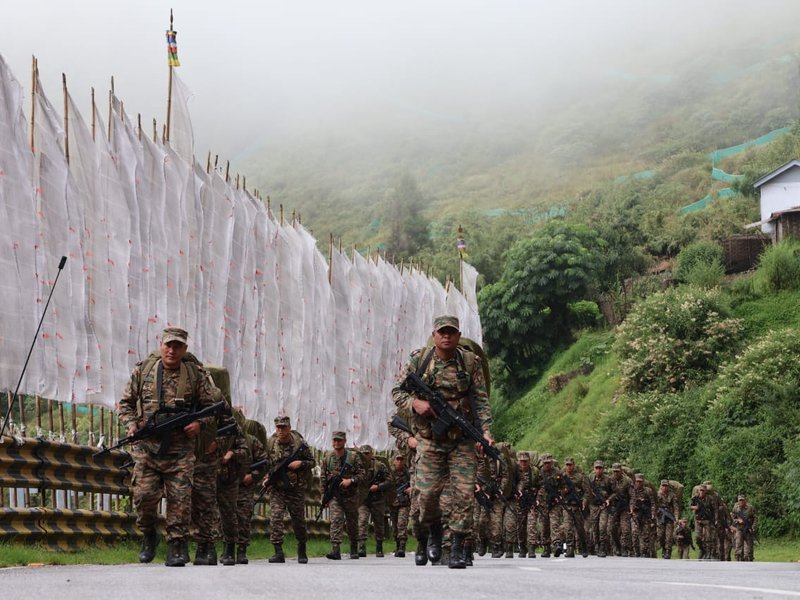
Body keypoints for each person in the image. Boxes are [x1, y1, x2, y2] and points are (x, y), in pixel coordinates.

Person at [392, 315, 494, 569]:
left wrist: (486, 433)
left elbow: (481, 400)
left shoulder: (470, 362)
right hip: (430, 439)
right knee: (425, 496)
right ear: (434, 335)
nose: (446, 336)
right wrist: (415, 404)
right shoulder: (419, 360)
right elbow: (397, 392)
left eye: (451, 332)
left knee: (463, 494)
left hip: (461, 441)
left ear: (458, 336)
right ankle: (433, 530)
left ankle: (458, 547)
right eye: (442, 332)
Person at [118, 327, 217, 567]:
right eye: (168, 345)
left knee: (180, 501)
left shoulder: (195, 375)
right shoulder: (144, 371)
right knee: (143, 498)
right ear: (161, 345)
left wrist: (198, 423)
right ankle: (149, 534)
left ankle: (177, 545)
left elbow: (212, 409)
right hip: (147, 449)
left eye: (178, 346)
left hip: (181, 451)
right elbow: (125, 404)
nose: (172, 350)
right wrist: (132, 426)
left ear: (185, 349)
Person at [262, 415, 315, 563]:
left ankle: (302, 548)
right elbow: (266, 464)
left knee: (298, 520)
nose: (281, 430)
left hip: (295, 489)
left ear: (289, 428)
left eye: (284, 427)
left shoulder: (299, 444)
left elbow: (312, 462)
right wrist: (267, 479)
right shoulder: (271, 443)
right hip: (278, 489)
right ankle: (278, 551)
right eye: (278, 427)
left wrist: (301, 464)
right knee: (276, 517)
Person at [321, 430, 364, 560]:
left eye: (339, 440)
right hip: (335, 496)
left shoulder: (353, 457)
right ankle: (335, 549)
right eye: (334, 440)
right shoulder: (328, 458)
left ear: (344, 441)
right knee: (336, 520)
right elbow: (323, 478)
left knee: (352, 522)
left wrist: (350, 481)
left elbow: (362, 475)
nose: (336, 443)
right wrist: (324, 496)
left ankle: (354, 548)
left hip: (350, 496)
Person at [357, 444, 392, 557]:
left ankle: (379, 546)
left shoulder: (379, 466)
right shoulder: (357, 466)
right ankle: (361, 546)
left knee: (379, 523)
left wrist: (378, 487)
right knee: (362, 521)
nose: (365, 456)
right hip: (363, 500)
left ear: (371, 454)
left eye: (367, 453)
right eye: (362, 454)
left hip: (377, 499)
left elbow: (389, 480)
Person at [606, 463, 633, 557]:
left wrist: (631, 507)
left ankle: (624, 548)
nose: (616, 473)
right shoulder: (609, 480)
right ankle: (617, 546)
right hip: (613, 507)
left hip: (624, 507)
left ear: (621, 471)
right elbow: (606, 493)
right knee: (611, 529)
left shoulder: (627, 481)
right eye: (614, 471)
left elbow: (632, 496)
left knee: (625, 529)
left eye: (617, 471)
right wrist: (608, 500)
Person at [587, 460, 612, 557]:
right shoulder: (590, 478)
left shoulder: (608, 480)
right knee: (594, 528)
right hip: (593, 506)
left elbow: (614, 492)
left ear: (603, 469)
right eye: (596, 468)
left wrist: (609, 499)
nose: (598, 470)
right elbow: (585, 490)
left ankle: (602, 547)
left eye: (600, 468)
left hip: (603, 506)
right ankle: (596, 545)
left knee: (602, 527)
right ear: (594, 469)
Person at [388, 452, 411, 558]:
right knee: (395, 525)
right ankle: (397, 545)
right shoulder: (389, 473)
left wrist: (412, 488)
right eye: (397, 459)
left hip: (404, 503)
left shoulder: (409, 473)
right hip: (392, 502)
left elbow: (417, 482)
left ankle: (402, 546)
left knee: (402, 523)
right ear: (393, 460)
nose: (399, 461)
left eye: (401, 459)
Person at [629, 474, 655, 557]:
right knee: (634, 534)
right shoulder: (632, 490)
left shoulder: (648, 491)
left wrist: (652, 514)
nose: (639, 483)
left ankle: (644, 552)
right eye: (637, 481)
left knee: (645, 535)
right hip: (635, 515)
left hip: (645, 515)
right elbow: (630, 501)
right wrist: (631, 510)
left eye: (640, 481)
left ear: (643, 482)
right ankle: (636, 552)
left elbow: (652, 503)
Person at [655, 479, 681, 559]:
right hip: (660, 517)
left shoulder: (672, 495)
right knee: (660, 535)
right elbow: (654, 505)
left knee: (669, 536)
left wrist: (676, 518)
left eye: (666, 486)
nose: (664, 487)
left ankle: (668, 551)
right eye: (663, 485)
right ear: (661, 486)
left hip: (669, 517)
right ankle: (663, 548)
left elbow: (676, 507)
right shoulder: (658, 495)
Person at [731, 494, 757, 562]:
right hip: (739, 529)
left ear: (745, 500)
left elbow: (755, 518)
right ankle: (738, 560)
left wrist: (753, 527)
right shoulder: (736, 508)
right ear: (738, 501)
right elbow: (732, 518)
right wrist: (737, 520)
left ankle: (749, 560)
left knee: (749, 548)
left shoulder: (750, 508)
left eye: (742, 500)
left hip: (748, 529)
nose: (741, 501)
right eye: (740, 500)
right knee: (738, 545)